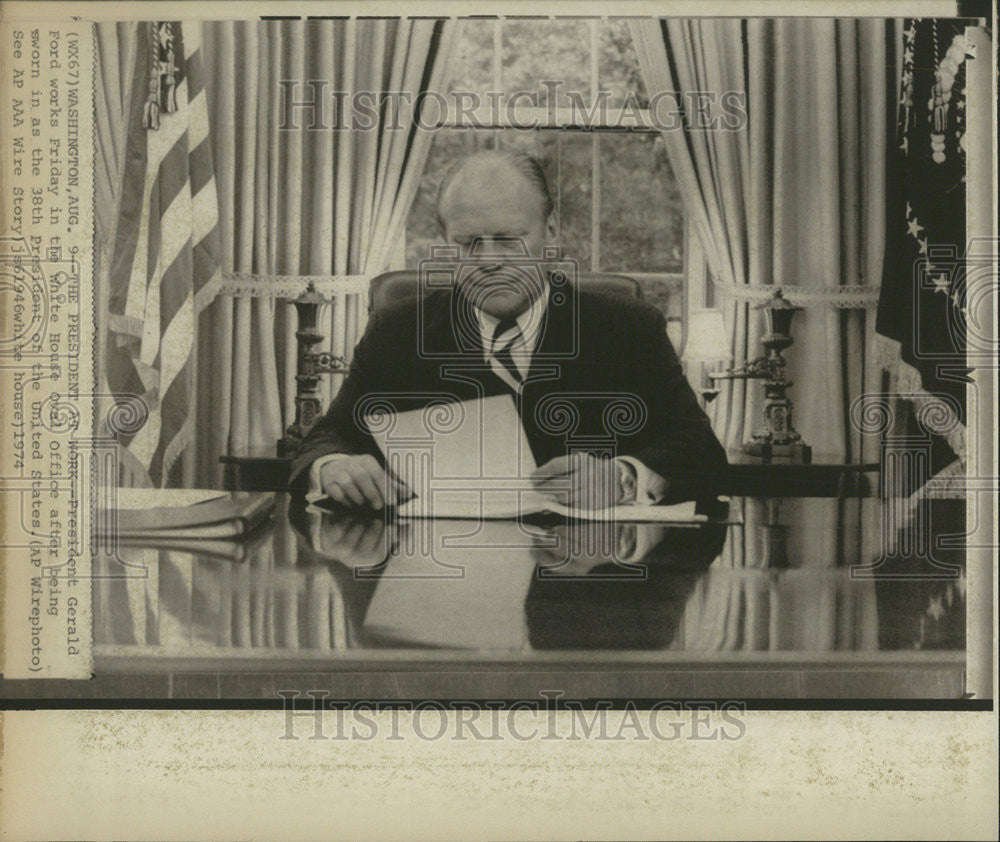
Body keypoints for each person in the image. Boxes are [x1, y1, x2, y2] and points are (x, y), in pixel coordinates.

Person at [291, 150, 727, 509]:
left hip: (586, 588)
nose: (489, 260)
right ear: (446, 244)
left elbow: (701, 451)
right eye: (468, 242)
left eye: (508, 238)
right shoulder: (398, 330)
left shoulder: (626, 327)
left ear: (551, 231)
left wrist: (624, 477)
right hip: (440, 585)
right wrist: (331, 466)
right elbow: (329, 435)